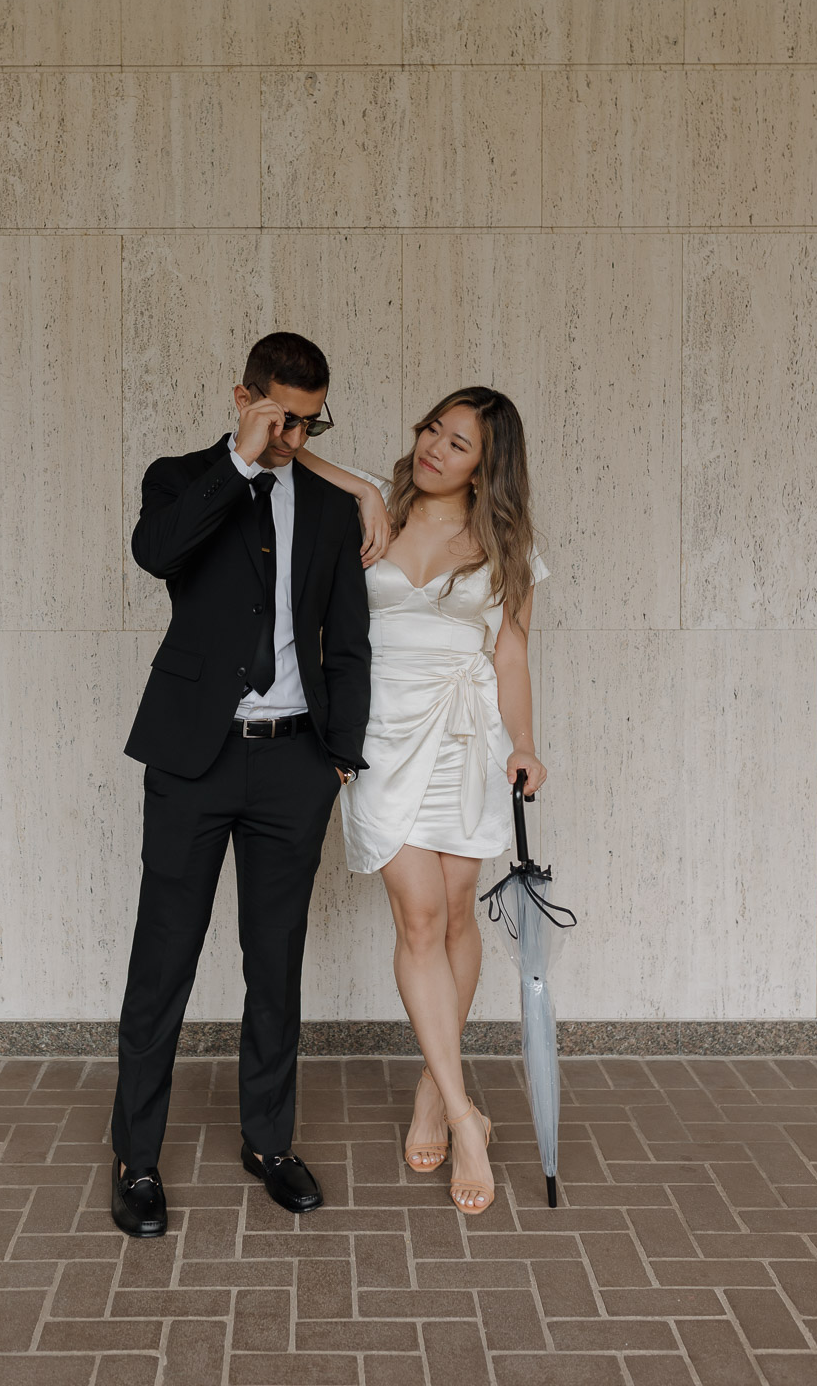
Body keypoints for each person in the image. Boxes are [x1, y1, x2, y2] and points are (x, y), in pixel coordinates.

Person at [111, 332, 371, 1237]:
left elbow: (348, 642)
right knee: (163, 960)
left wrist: (339, 757)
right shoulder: (181, 479)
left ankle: (269, 1142)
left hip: (294, 764)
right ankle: (136, 1158)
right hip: (194, 757)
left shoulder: (331, 510)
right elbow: (156, 554)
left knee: (275, 963)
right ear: (244, 398)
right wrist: (240, 461)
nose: (294, 437)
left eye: (309, 422)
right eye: (281, 417)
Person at [297, 386, 548, 1215]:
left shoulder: (506, 544)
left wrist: (523, 743)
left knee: (454, 914)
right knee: (418, 916)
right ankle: (466, 1116)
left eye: (459, 443)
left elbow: (510, 656)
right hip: (376, 734)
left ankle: (434, 1091)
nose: (436, 447)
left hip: (465, 738)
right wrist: (365, 490)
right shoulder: (372, 506)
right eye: (434, 430)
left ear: (487, 467)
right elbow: (284, 450)